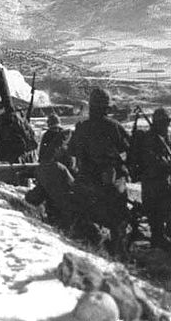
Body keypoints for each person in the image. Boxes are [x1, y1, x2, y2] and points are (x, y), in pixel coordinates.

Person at [68, 88, 131, 257]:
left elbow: (72, 151)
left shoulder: (81, 127)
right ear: (106, 107)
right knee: (119, 219)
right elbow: (128, 149)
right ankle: (119, 253)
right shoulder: (114, 127)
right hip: (109, 183)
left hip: (85, 181)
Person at [135, 108, 171, 249]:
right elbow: (151, 160)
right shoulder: (149, 139)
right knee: (157, 213)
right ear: (157, 123)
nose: (167, 126)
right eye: (164, 123)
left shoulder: (163, 138)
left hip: (163, 181)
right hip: (153, 183)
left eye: (167, 123)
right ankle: (158, 239)